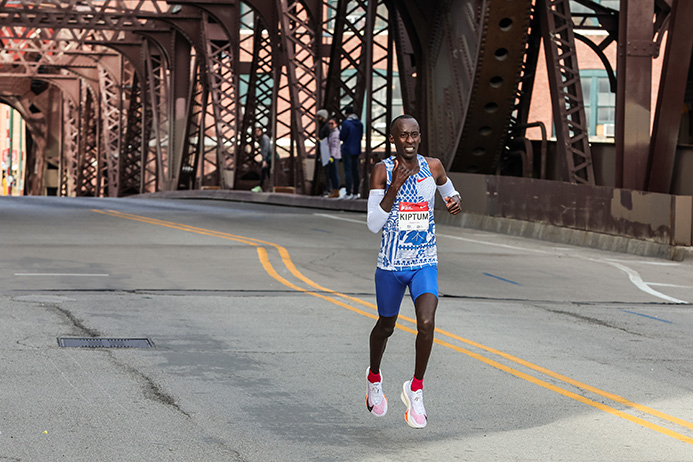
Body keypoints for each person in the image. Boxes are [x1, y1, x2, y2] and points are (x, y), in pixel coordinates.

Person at [365, 114, 462, 429]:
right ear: (393, 139)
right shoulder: (382, 171)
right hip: (391, 266)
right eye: (403, 136)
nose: (410, 141)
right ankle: (374, 378)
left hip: (424, 261)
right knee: (386, 327)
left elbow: (450, 191)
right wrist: (395, 184)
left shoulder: (432, 167)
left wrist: (452, 201)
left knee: (427, 322)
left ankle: (416, 389)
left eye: (415, 135)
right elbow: (373, 225)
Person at [339, 104, 364, 199]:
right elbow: (360, 136)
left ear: (346, 114)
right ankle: (355, 193)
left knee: (348, 171)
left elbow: (342, 137)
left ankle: (348, 192)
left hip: (347, 149)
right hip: (356, 149)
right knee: (355, 172)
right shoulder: (360, 124)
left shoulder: (346, 124)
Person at [251, 127, 271, 192]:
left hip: (268, 157)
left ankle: (261, 187)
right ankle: (267, 187)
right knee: (266, 172)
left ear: (261, 131)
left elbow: (265, 149)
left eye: (258, 131)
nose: (257, 132)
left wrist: (264, 160)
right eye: (256, 131)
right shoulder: (263, 138)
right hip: (268, 157)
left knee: (264, 171)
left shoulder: (264, 138)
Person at [326, 117, 341, 198]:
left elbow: (334, 146)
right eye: (329, 124)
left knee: (334, 173)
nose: (330, 125)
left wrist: (332, 156)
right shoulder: (332, 133)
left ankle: (336, 190)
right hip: (332, 156)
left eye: (332, 123)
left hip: (334, 156)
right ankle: (334, 190)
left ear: (336, 124)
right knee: (331, 173)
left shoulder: (335, 133)